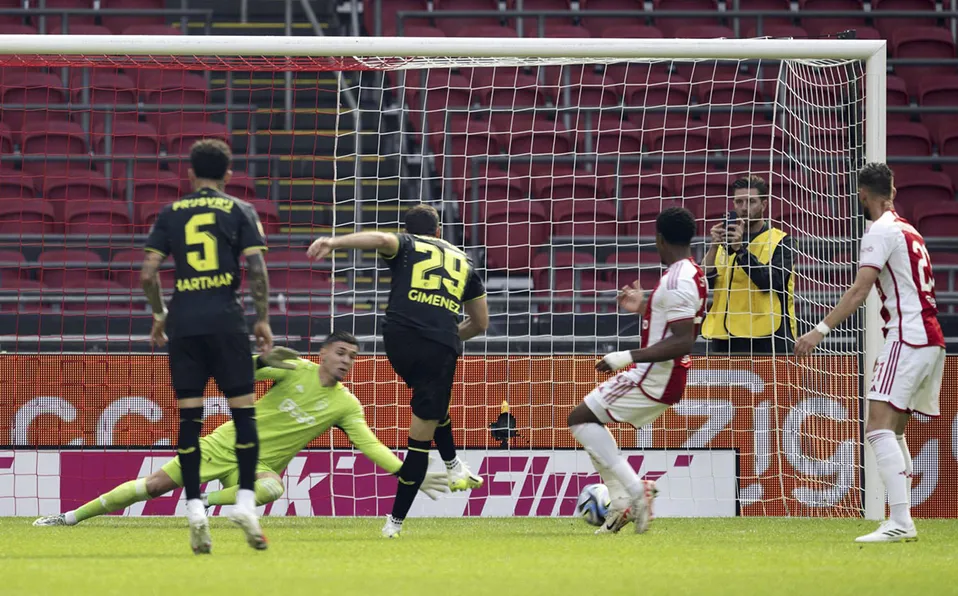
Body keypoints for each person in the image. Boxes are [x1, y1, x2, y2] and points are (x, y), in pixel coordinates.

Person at [32, 333, 450, 530]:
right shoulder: (296, 370)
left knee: (272, 489)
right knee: (154, 485)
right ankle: (69, 517)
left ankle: (205, 501)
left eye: (352, 357)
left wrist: (403, 471)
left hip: (261, 464)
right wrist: (262, 356)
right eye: (340, 353)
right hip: (225, 444)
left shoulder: (347, 404)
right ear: (323, 353)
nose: (346, 361)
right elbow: (237, 372)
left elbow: (369, 444)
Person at [307, 204, 489, 538]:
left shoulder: (406, 244)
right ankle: (394, 524)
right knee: (420, 434)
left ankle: (453, 465)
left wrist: (335, 242)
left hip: (397, 340)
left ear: (408, 230)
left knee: (429, 402)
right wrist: (448, 336)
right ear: (438, 233)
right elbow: (480, 322)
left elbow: (378, 238)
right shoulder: (464, 261)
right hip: (438, 349)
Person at [795, 162, 944, 543]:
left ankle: (900, 521)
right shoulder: (909, 229)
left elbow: (860, 290)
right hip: (930, 339)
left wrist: (819, 330)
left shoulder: (878, 231)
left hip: (906, 338)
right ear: (892, 192)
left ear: (863, 195)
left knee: (877, 427)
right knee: (894, 430)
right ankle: (902, 518)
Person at [139, 139, 273, 554]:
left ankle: (195, 508)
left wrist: (161, 314)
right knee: (244, 415)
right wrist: (263, 318)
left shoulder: (170, 213)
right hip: (226, 323)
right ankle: (246, 503)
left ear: (190, 174)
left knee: (190, 420)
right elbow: (257, 269)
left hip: (184, 326)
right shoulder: (240, 210)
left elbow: (147, 273)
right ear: (229, 174)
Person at [567, 207, 707, 534]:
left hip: (653, 375)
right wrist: (645, 306)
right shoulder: (691, 273)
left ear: (659, 239)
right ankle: (620, 502)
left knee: (580, 419)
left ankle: (633, 491)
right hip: (662, 375)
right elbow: (676, 322)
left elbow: (684, 340)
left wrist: (625, 356)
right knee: (591, 421)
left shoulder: (676, 280)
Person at [702, 175, 796, 354]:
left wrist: (740, 250)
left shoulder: (782, 241)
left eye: (751, 201)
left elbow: (770, 282)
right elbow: (706, 282)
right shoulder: (727, 240)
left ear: (764, 204)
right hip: (724, 336)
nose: (744, 208)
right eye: (739, 202)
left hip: (767, 336)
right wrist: (714, 247)